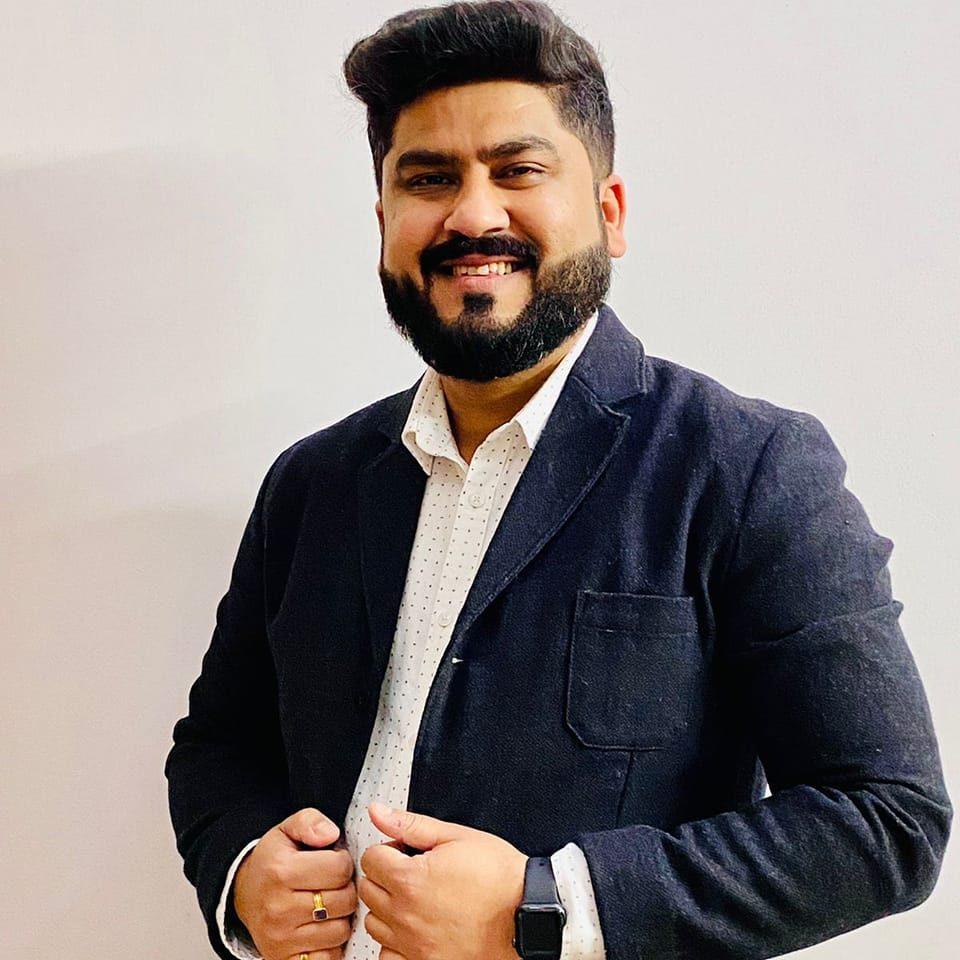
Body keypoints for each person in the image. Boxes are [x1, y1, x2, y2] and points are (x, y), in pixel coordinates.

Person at [164, 2, 952, 959]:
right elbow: (216, 748)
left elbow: (886, 820)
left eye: (519, 170)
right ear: (385, 222)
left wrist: (548, 908)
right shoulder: (311, 484)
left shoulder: (747, 467)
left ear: (609, 214)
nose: (472, 215)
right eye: (429, 178)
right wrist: (243, 873)